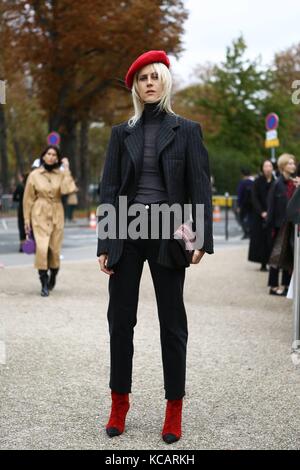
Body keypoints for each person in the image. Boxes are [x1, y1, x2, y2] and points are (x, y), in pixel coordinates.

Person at [97, 50, 213, 444]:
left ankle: (174, 409)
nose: (148, 82)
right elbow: (110, 188)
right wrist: (105, 241)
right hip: (127, 231)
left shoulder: (187, 130)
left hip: (169, 230)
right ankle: (119, 403)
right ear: (135, 87)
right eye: (142, 78)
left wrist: (200, 239)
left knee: (172, 324)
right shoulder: (120, 133)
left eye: (154, 76)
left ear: (165, 81)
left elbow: (199, 187)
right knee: (120, 322)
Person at [23, 145, 77, 296]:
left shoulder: (60, 174)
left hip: (57, 213)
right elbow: (27, 200)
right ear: (43, 156)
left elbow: (68, 190)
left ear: (57, 158)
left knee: (54, 250)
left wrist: (66, 168)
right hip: (39, 213)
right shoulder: (34, 175)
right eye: (49, 153)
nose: (51, 156)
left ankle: (53, 275)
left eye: (54, 154)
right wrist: (26, 220)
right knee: (41, 248)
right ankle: (43, 283)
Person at [267, 153, 299, 296]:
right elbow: (271, 207)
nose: (293, 166)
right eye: (290, 163)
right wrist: (270, 226)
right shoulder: (277, 184)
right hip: (279, 226)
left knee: (288, 255)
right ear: (283, 166)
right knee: (276, 255)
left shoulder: (294, 183)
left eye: (294, 163)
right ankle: (273, 286)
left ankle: (286, 285)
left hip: (291, 225)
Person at [248, 160, 274, 271]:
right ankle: (263, 262)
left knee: (271, 240)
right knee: (261, 240)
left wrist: (271, 211)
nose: (268, 168)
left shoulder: (275, 182)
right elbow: (254, 198)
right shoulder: (257, 182)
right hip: (260, 216)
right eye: (266, 166)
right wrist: (261, 211)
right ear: (262, 168)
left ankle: (272, 262)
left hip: (272, 215)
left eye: (270, 166)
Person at [13, 172, 28, 252]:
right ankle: (30, 244)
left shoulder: (20, 186)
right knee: (30, 226)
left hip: (21, 208)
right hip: (30, 208)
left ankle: (22, 246)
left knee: (21, 226)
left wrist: (20, 200)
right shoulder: (30, 185)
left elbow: (14, 198)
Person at [237, 168, 254, 239]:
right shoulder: (252, 182)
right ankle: (250, 232)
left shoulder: (242, 183)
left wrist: (238, 205)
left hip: (243, 204)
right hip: (252, 204)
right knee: (250, 218)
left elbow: (240, 194)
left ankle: (246, 232)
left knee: (241, 219)